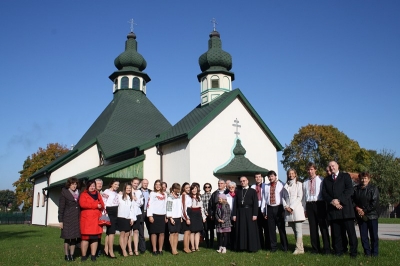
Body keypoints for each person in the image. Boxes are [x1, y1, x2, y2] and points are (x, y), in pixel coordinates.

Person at [322, 161, 358, 257]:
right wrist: (332, 201)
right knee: (336, 234)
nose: (332, 167)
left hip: (346, 209)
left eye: (333, 166)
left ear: (338, 166)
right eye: (330, 166)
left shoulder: (345, 176)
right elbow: (324, 194)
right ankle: (338, 252)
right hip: (333, 211)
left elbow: (349, 190)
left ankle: (353, 252)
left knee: (351, 233)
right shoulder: (326, 180)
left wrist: (339, 200)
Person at [302, 163, 331, 254]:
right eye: (308, 170)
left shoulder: (321, 180)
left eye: (311, 169)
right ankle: (315, 249)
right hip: (309, 205)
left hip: (320, 204)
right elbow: (304, 197)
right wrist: (305, 209)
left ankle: (327, 249)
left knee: (323, 227)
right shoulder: (305, 182)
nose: (310, 171)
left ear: (315, 170)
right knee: (313, 228)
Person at [353, 172, 379, 257]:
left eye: (365, 178)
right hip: (361, 216)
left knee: (374, 236)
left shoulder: (373, 189)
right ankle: (367, 253)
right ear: (359, 179)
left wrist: (364, 210)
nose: (363, 180)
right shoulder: (355, 189)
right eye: (362, 178)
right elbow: (352, 201)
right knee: (363, 236)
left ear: (369, 179)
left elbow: (374, 202)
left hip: (372, 215)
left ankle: (374, 253)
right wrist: (357, 208)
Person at [232, 176, 260, 252]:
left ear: (247, 181)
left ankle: (251, 247)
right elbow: (235, 204)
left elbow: (255, 203)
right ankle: (241, 247)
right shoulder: (238, 191)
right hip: (240, 212)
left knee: (250, 229)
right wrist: (234, 214)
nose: (242, 182)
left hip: (250, 211)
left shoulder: (252, 191)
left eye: (244, 181)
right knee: (240, 229)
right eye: (241, 181)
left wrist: (255, 214)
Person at [79, 180, 105, 262]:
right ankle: (84, 255)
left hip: (96, 220)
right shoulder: (83, 194)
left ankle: (93, 255)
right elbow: (82, 204)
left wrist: (100, 206)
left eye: (93, 186)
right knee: (85, 239)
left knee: (95, 238)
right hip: (87, 220)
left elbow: (102, 205)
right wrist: (95, 205)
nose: (92, 187)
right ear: (87, 186)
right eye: (90, 186)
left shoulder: (98, 194)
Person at [263, 170, 288, 252]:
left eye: (272, 176)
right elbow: (264, 199)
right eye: (269, 177)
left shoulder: (282, 185)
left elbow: (285, 197)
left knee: (281, 228)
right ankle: (273, 247)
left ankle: (285, 246)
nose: (270, 178)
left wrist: (284, 209)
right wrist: (264, 211)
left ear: (275, 176)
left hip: (279, 208)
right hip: (269, 208)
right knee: (271, 230)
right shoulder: (266, 186)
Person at [282, 169, 305, 255]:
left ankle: (298, 248)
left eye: (292, 173)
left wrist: (291, 207)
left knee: (298, 230)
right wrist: (286, 206)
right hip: (288, 211)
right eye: (289, 174)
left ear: (295, 174)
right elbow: (283, 198)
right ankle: (301, 248)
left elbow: (299, 197)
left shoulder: (299, 184)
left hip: (296, 210)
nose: (291, 175)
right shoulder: (285, 185)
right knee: (295, 230)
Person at [58, 177, 81, 261]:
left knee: (74, 238)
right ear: (69, 185)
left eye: (75, 184)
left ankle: (72, 255)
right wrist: (60, 221)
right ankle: (66, 255)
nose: (74, 186)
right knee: (67, 238)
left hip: (76, 219)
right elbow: (61, 208)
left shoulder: (79, 193)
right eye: (72, 184)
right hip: (67, 219)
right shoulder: (64, 193)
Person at [147, 179, 168, 256]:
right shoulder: (152, 193)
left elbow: (166, 205)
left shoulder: (164, 194)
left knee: (162, 233)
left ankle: (160, 249)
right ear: (154, 186)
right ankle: (154, 250)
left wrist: (167, 216)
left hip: (162, 215)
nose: (158, 186)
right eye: (156, 184)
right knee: (154, 233)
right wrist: (150, 216)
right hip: (154, 215)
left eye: (159, 184)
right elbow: (149, 205)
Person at [251, 173, 271, 250]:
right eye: (256, 177)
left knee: (266, 227)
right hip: (256, 208)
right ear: (254, 178)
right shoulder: (252, 187)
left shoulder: (265, 186)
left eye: (259, 177)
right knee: (258, 228)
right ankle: (260, 244)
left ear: (262, 178)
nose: (258, 178)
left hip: (264, 208)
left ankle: (268, 245)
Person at [117, 183, 137, 257]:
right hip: (121, 217)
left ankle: (124, 248)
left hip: (128, 218)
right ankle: (124, 251)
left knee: (127, 234)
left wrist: (132, 219)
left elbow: (132, 209)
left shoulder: (130, 198)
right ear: (124, 189)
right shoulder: (119, 196)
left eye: (129, 188)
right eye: (127, 188)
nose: (128, 189)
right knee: (122, 234)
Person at [102, 179, 120, 258]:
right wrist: (104, 214)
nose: (117, 186)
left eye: (118, 185)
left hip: (115, 211)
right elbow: (104, 202)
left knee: (109, 232)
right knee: (112, 232)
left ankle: (106, 249)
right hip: (109, 211)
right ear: (111, 184)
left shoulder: (116, 193)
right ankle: (111, 251)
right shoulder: (107, 191)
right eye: (115, 184)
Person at [208, 179, 227, 247]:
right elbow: (211, 205)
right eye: (219, 183)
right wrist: (211, 214)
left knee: (226, 232)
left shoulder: (227, 192)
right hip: (218, 216)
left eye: (222, 183)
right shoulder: (215, 194)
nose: (220, 185)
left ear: (225, 185)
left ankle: (227, 245)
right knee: (219, 231)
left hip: (227, 215)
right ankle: (220, 245)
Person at [128, 177, 144, 256]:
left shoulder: (139, 192)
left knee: (136, 231)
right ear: (131, 182)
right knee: (129, 232)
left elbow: (141, 203)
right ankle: (130, 249)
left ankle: (136, 249)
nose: (136, 185)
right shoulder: (128, 190)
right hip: (129, 214)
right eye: (134, 183)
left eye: (137, 184)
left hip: (137, 213)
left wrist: (136, 199)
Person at [189, 183, 206, 251]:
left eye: (195, 188)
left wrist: (203, 217)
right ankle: (192, 246)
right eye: (193, 189)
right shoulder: (189, 197)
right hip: (192, 214)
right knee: (192, 231)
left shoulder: (199, 197)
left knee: (198, 231)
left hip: (198, 214)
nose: (194, 190)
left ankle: (197, 246)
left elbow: (202, 208)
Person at [166, 183, 182, 255]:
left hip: (178, 217)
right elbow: (168, 208)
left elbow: (180, 208)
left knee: (176, 233)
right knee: (172, 233)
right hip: (172, 218)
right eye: (178, 189)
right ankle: (172, 249)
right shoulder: (170, 197)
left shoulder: (178, 197)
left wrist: (181, 216)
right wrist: (170, 218)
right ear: (174, 189)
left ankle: (175, 248)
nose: (179, 190)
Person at [139, 179, 151, 253]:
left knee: (151, 230)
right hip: (141, 213)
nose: (145, 184)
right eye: (144, 183)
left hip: (149, 212)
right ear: (141, 183)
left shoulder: (151, 192)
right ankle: (142, 248)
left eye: (147, 183)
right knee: (141, 231)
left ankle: (152, 247)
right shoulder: (137, 191)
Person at [201, 182, 214, 248]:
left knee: (211, 230)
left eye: (208, 187)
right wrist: (205, 213)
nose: (207, 188)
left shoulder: (213, 195)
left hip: (211, 215)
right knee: (206, 229)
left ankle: (212, 243)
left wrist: (211, 214)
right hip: (205, 215)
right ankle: (207, 243)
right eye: (206, 187)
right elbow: (202, 206)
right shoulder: (202, 196)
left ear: (210, 188)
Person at [181, 182, 192, 253]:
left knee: (188, 232)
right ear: (183, 188)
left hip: (189, 213)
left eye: (189, 187)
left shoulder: (188, 195)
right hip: (186, 214)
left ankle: (188, 247)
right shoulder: (183, 195)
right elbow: (183, 208)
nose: (188, 189)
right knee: (186, 232)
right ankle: (185, 247)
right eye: (186, 188)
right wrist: (186, 218)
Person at [226, 181, 237, 250]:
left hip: (236, 214)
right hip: (228, 215)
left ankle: (235, 244)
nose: (231, 188)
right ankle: (229, 244)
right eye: (230, 187)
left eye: (232, 187)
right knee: (229, 230)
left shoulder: (237, 195)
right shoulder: (226, 196)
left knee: (236, 230)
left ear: (235, 187)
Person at [94, 178, 104, 257]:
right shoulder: (92, 193)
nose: (100, 185)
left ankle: (98, 250)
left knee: (99, 233)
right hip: (93, 216)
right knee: (93, 234)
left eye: (101, 184)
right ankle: (92, 251)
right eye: (98, 184)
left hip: (101, 216)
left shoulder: (103, 193)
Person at [161, 181, 170, 251]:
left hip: (166, 215)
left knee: (166, 232)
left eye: (164, 187)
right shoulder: (158, 194)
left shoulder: (168, 194)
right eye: (162, 187)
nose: (163, 188)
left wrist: (167, 216)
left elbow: (168, 206)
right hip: (160, 214)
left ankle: (167, 246)